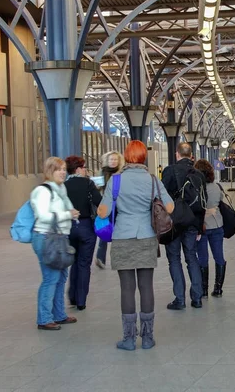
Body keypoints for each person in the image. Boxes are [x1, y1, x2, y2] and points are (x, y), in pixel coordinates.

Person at [97, 140, 174, 351]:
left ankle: (129, 339)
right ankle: (148, 338)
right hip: (147, 236)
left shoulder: (116, 180)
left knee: (127, 288)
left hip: (123, 236)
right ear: (143, 157)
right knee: (146, 286)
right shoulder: (152, 180)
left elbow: (103, 212)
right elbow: (169, 206)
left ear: (126, 157)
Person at [30, 157, 80, 330]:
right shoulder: (43, 191)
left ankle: (59, 314)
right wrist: (67, 214)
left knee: (60, 278)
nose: (63, 172)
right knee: (50, 278)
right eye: (59, 169)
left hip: (59, 237)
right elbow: (43, 216)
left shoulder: (61, 188)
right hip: (46, 237)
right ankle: (44, 318)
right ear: (50, 171)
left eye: (64, 169)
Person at [161, 142, 206, 310]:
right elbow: (203, 202)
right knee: (192, 258)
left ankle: (179, 299)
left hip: (173, 222)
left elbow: (161, 196)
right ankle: (197, 298)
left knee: (174, 259)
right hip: (192, 222)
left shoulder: (169, 171)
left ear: (177, 154)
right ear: (191, 155)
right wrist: (200, 226)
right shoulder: (199, 174)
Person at [64, 156, 102, 310]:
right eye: (84, 167)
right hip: (86, 226)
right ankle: (81, 300)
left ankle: (72, 296)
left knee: (74, 261)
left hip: (68, 227)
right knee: (84, 264)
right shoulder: (88, 183)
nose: (86, 169)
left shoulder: (64, 186)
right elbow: (99, 201)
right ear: (78, 168)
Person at [194, 159, 227, 298]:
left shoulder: (197, 188)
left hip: (202, 227)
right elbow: (221, 202)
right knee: (219, 257)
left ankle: (204, 290)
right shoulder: (217, 187)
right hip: (217, 225)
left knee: (203, 258)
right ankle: (218, 289)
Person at [95, 151, 125, 269]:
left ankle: (119, 257)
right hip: (106, 205)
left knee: (118, 232)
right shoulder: (102, 173)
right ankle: (100, 257)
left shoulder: (121, 173)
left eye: (115, 159)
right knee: (105, 230)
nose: (113, 161)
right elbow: (96, 189)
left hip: (119, 206)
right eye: (111, 159)